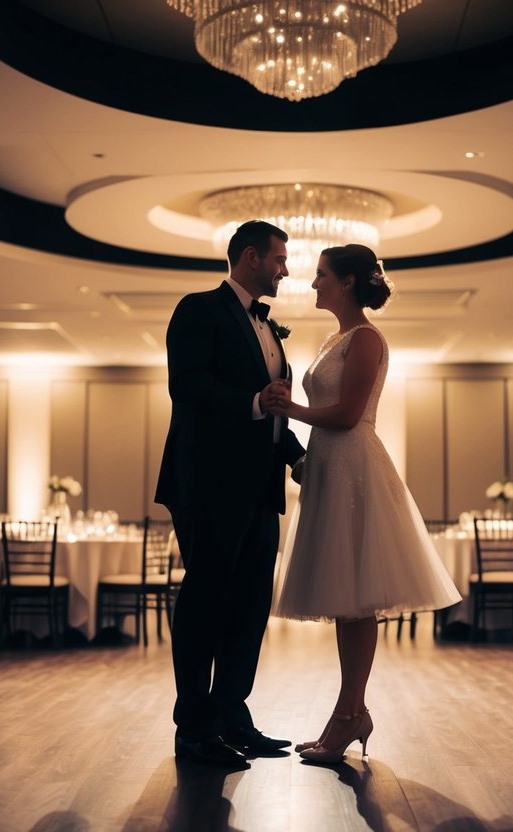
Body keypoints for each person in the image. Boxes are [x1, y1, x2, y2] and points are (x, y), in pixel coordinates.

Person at [272, 243, 462, 764]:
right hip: (331, 466)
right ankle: (351, 714)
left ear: (348, 282)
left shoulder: (367, 339)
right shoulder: (337, 338)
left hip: (355, 466)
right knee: (347, 605)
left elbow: (350, 414)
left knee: (357, 602)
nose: (313, 283)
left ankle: (348, 716)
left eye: (321, 275)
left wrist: (292, 409)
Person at [155, 219, 307, 770]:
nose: (286, 269)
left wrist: (298, 457)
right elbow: (186, 385)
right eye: (279, 259)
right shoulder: (199, 308)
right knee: (205, 604)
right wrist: (252, 401)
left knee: (248, 609)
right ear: (250, 257)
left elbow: (273, 411)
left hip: (260, 491)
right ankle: (194, 731)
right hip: (209, 486)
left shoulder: (269, 328)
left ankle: (232, 716)